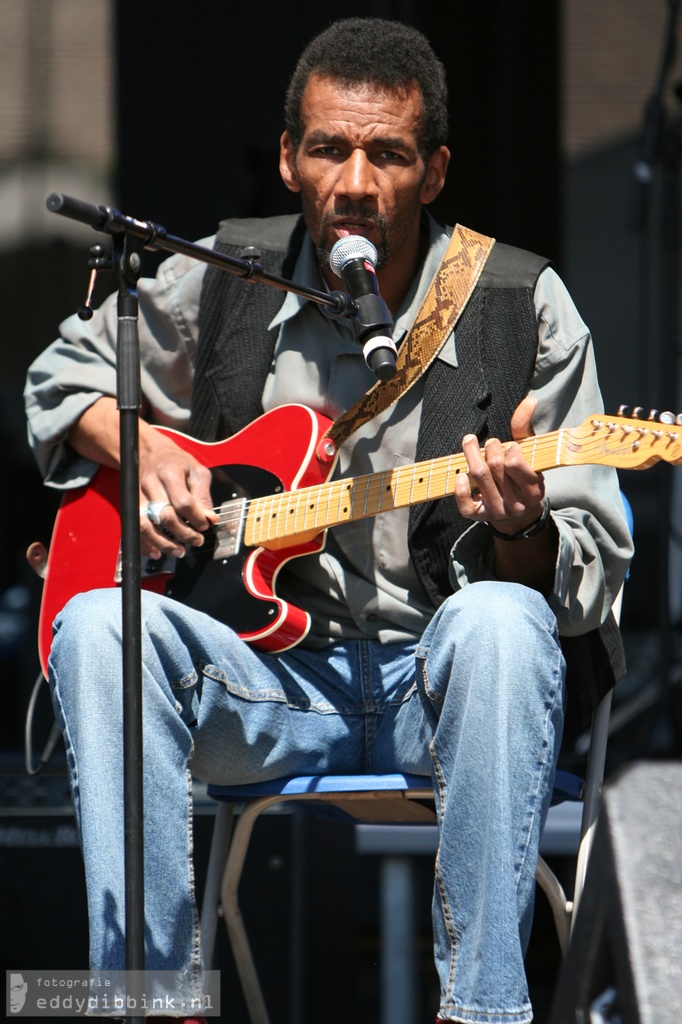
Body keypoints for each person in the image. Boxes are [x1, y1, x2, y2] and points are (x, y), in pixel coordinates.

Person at [25, 17, 633, 1024]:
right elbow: (59, 377)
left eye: (386, 153)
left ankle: (481, 1011)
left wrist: (522, 531)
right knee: (100, 623)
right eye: (328, 149)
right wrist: (148, 450)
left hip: (441, 697)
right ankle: (146, 1003)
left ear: (434, 171)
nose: (355, 181)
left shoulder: (522, 301)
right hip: (265, 689)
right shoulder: (221, 274)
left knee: (502, 620)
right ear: (287, 160)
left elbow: (597, 568)